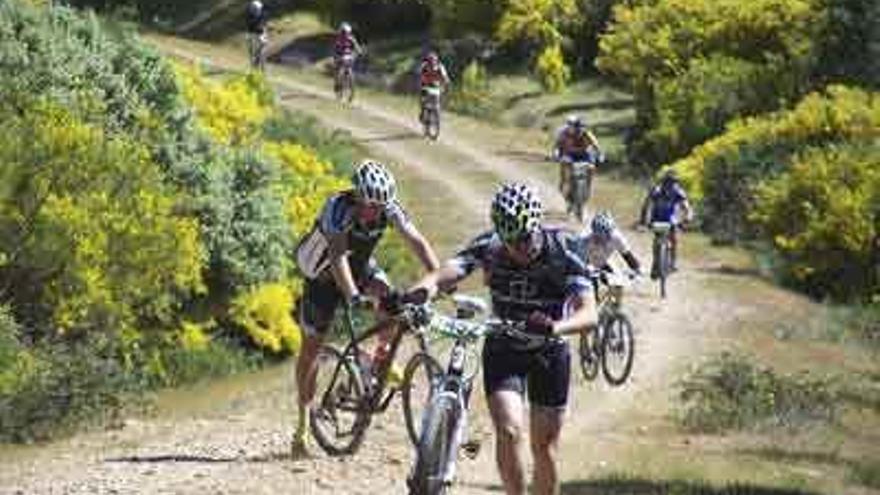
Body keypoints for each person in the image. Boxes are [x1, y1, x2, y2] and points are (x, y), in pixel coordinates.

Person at [411, 182, 598, 495]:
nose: (518, 248)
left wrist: (555, 327)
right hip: (504, 348)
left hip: (549, 352)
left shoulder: (564, 249)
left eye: (524, 238)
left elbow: (589, 314)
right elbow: (451, 270)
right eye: (510, 240)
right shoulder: (492, 245)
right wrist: (421, 292)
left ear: (535, 226)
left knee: (544, 448)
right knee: (509, 432)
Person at [291, 160, 440, 455]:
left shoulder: (389, 208)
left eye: (380, 206)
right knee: (311, 349)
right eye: (369, 205)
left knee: (395, 304)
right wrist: (353, 296)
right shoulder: (337, 207)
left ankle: (374, 363)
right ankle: (302, 426)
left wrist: (439, 277)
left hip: (359, 267)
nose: (375, 212)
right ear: (357, 196)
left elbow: (417, 242)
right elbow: (336, 256)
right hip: (323, 276)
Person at [639, 168, 694, 275]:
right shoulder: (656, 191)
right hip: (656, 219)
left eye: (673, 182)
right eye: (667, 182)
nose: (670, 185)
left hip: (670, 219)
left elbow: (687, 207)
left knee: (674, 239)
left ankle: (672, 263)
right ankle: (655, 264)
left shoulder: (678, 192)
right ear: (663, 182)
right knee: (657, 241)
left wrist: (688, 217)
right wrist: (643, 221)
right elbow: (646, 205)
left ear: (676, 183)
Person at [578, 211, 642, 277]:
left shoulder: (616, 237)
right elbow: (577, 256)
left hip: (602, 263)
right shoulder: (585, 238)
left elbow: (627, 255)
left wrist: (636, 269)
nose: (603, 239)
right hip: (585, 263)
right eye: (598, 236)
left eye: (607, 235)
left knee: (616, 281)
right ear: (593, 232)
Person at [552, 114, 602, 199]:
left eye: (582, 127)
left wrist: (600, 154)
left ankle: (588, 187)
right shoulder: (564, 133)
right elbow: (557, 146)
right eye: (577, 127)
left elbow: (595, 145)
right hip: (568, 155)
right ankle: (564, 183)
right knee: (565, 164)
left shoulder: (587, 134)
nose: (580, 129)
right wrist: (556, 154)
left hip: (584, 155)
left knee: (591, 168)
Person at [417, 51, 451, 123]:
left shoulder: (440, 66)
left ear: (436, 61)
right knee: (423, 99)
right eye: (431, 61)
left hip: (436, 85)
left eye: (434, 61)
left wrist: (447, 82)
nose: (433, 62)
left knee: (440, 97)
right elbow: (419, 75)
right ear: (428, 61)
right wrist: (421, 83)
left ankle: (438, 113)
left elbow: (445, 76)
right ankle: (423, 111)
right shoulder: (424, 66)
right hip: (425, 84)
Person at [333, 22, 363, 93]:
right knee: (337, 68)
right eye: (343, 32)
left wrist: (359, 52)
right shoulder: (339, 39)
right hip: (340, 56)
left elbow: (356, 46)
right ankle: (337, 83)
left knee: (349, 66)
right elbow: (335, 49)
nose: (345, 34)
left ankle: (349, 80)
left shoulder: (351, 39)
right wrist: (335, 55)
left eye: (346, 32)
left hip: (348, 56)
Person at [245, 0, 269, 71]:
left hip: (252, 30)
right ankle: (258, 66)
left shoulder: (252, 5)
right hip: (257, 30)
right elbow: (260, 18)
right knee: (261, 48)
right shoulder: (256, 5)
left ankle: (256, 66)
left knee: (255, 50)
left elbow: (249, 19)